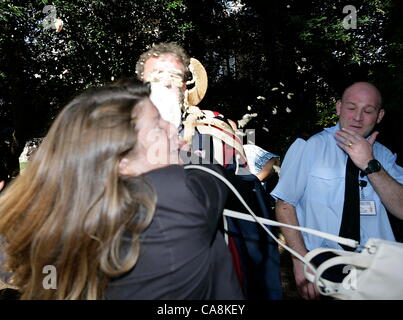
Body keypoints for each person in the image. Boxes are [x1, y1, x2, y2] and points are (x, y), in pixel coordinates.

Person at [0, 83, 243, 300]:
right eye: (158, 126)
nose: (173, 127)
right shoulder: (176, 196)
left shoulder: (41, 222)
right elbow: (211, 176)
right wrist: (192, 151)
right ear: (121, 162)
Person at [136, 42, 283, 300]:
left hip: (214, 257)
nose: (166, 83)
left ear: (185, 85)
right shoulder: (116, 131)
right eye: (157, 76)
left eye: (175, 76)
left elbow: (248, 198)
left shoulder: (214, 128)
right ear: (142, 83)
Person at [271, 82, 403, 300]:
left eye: (368, 111)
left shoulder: (384, 155)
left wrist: (369, 164)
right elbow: (285, 204)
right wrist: (300, 260)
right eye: (351, 108)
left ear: (379, 116)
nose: (358, 117)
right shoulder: (309, 145)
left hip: (378, 267)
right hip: (324, 263)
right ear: (338, 108)